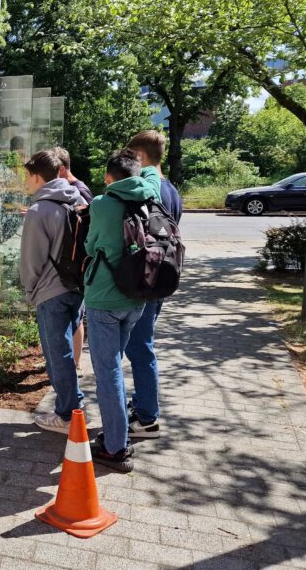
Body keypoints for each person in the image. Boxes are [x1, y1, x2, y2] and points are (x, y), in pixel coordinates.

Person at [83, 149, 161, 472]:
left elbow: (90, 246)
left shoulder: (101, 205)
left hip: (104, 300)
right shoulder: (149, 198)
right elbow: (154, 174)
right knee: (117, 363)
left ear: (107, 177)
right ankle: (121, 431)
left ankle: (115, 446)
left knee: (108, 371)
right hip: (137, 300)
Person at [18, 150, 87, 435]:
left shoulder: (39, 211)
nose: (25, 182)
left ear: (36, 177)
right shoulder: (79, 200)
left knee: (56, 354)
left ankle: (67, 413)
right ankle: (74, 406)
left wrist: (30, 289)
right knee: (66, 352)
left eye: (26, 177)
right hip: (77, 286)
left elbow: (31, 260)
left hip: (50, 291)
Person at [123, 130, 183, 439]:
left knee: (140, 347)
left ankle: (147, 417)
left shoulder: (148, 189)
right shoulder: (171, 189)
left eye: (131, 156)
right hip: (163, 279)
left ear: (142, 157)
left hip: (146, 280)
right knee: (142, 345)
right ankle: (143, 406)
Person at [50, 147, 92, 371]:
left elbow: (83, 221)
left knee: (76, 316)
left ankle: (75, 363)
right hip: (70, 261)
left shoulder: (79, 190)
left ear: (63, 169)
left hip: (77, 264)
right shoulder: (70, 188)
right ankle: (68, 361)